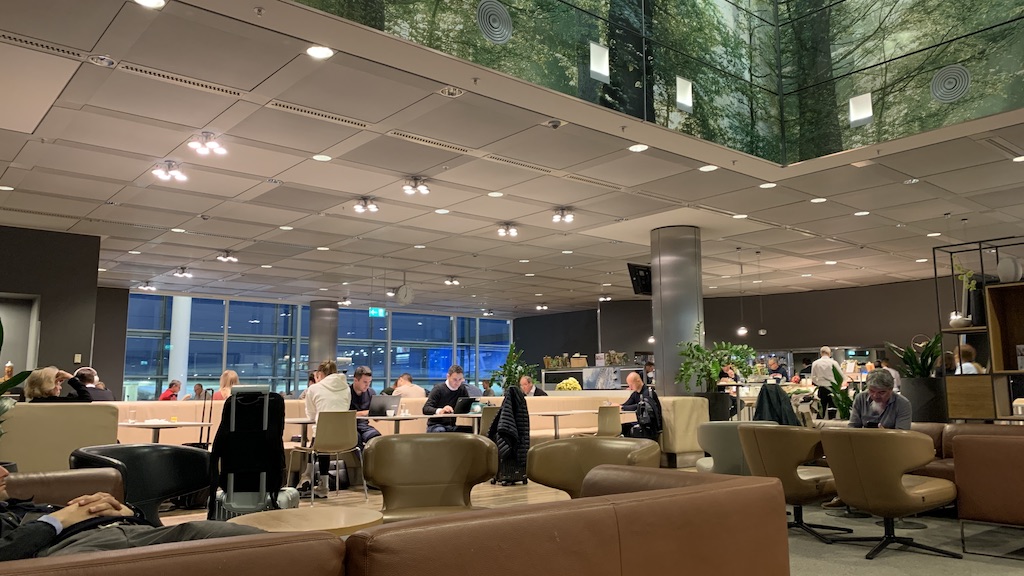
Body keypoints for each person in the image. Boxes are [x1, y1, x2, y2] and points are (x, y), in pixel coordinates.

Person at [0, 464, 263, 561]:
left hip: (136, 531)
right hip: (75, 547)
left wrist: (126, 511)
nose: (5, 473)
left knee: (239, 538)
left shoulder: (24, 503)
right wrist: (58, 520)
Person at [302, 360, 351, 497]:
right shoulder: (346, 387)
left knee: (319, 439)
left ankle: (307, 476)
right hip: (345, 437)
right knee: (322, 441)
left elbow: (311, 415)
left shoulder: (314, 389)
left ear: (320, 374)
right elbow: (345, 409)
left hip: (322, 437)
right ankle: (319, 484)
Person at [423, 365, 471, 433]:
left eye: (460, 380)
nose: (457, 382)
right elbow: (426, 408)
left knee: (472, 431)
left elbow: (467, 406)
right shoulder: (438, 389)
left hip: (451, 426)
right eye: (454, 379)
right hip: (435, 425)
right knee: (441, 431)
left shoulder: (462, 389)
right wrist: (440, 410)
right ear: (448, 377)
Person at [348, 365, 382, 448]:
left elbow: (376, 419)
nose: (367, 385)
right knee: (356, 440)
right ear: (356, 380)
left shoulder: (371, 392)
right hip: (349, 428)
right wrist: (365, 413)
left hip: (364, 427)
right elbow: (344, 415)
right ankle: (361, 461)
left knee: (377, 439)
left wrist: (379, 412)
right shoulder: (347, 393)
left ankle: (373, 461)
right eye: (365, 382)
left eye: (369, 382)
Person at [619, 372, 659, 436]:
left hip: (649, 425)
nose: (630, 388)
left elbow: (640, 406)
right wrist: (618, 406)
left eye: (631, 385)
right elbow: (627, 404)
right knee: (621, 427)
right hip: (642, 422)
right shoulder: (635, 394)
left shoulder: (648, 393)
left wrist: (622, 407)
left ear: (638, 381)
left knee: (627, 430)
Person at [24, 367, 92, 403]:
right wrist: (70, 377)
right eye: (58, 383)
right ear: (48, 386)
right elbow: (86, 398)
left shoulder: (29, 404)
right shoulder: (60, 403)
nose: (60, 388)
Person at [810, 346, 842, 419]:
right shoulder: (834, 363)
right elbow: (841, 376)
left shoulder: (815, 363)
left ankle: (819, 428)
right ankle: (832, 427)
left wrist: (818, 383)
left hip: (822, 388)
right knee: (832, 410)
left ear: (821, 353)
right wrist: (838, 386)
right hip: (833, 389)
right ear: (829, 353)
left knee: (821, 411)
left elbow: (813, 377)